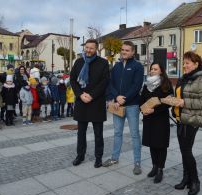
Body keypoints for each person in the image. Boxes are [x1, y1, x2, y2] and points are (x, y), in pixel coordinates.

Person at [169, 51, 202, 195]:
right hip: (181, 119)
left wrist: (184, 102)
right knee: (183, 151)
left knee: (186, 151)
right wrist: (172, 101)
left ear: (196, 64)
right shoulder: (183, 79)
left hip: (192, 120)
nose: (184, 66)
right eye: (184, 63)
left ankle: (195, 181)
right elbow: (179, 96)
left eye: (187, 63)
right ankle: (186, 178)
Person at [103, 41, 144, 175]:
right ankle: (115, 158)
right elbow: (110, 84)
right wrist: (116, 98)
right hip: (117, 105)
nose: (124, 52)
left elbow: (136, 86)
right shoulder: (117, 66)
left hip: (132, 105)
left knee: (134, 134)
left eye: (127, 50)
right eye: (122, 50)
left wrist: (123, 98)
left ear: (133, 52)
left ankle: (137, 162)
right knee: (117, 133)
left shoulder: (138, 66)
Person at [70, 39, 109, 168]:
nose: (88, 50)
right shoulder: (79, 62)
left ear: (96, 49)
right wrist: (80, 94)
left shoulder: (103, 63)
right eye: (87, 47)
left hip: (96, 102)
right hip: (82, 102)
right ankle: (80, 155)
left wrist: (91, 95)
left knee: (98, 133)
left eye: (91, 48)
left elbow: (104, 82)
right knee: (81, 132)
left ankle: (98, 158)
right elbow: (73, 80)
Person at [140, 63, 174, 183]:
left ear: (161, 71)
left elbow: (169, 102)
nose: (152, 71)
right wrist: (143, 110)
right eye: (151, 69)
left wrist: (155, 109)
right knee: (152, 144)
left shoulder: (166, 84)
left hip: (160, 119)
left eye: (155, 69)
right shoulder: (146, 84)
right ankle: (154, 166)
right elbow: (141, 100)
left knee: (161, 145)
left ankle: (160, 169)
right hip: (148, 119)